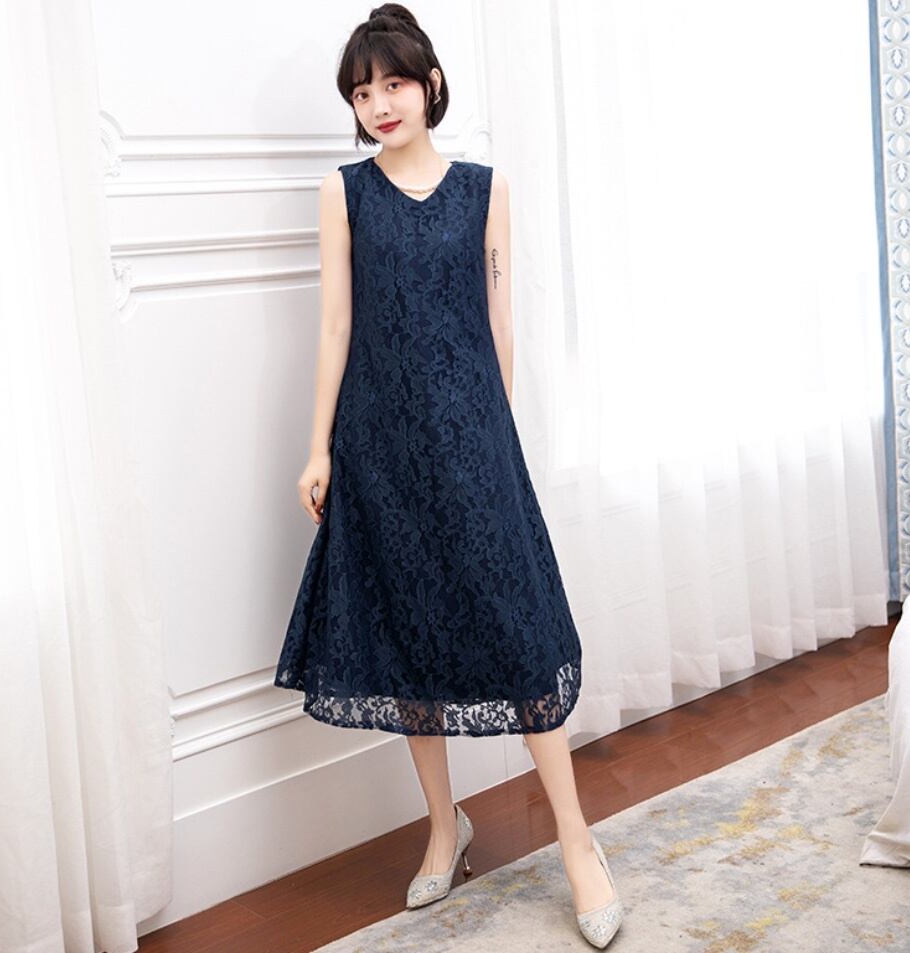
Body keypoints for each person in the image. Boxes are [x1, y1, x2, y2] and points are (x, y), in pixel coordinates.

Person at [274, 4, 623, 947]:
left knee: (517, 630)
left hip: (473, 442)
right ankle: (443, 826)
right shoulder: (344, 193)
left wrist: (496, 439)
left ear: (428, 83)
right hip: (378, 448)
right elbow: (336, 325)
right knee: (409, 630)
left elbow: (499, 321)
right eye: (362, 92)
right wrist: (318, 448)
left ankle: (577, 839)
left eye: (393, 82)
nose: (379, 103)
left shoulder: (485, 188)